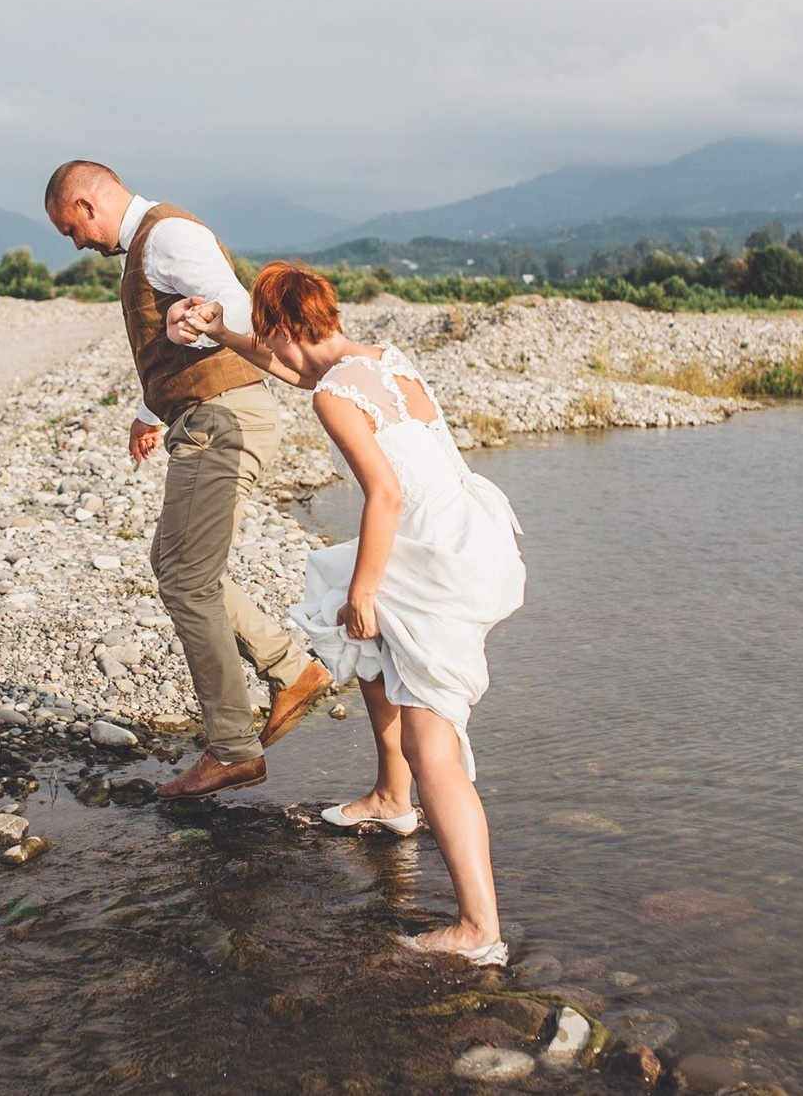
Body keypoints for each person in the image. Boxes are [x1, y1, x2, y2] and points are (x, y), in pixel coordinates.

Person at [173, 262, 525, 962]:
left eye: (264, 331)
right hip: (462, 533)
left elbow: (385, 495)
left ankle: (479, 929)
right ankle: (392, 798)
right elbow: (301, 370)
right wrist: (224, 333)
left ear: (282, 325)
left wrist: (367, 590)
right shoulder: (380, 362)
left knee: (435, 745)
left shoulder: (334, 397)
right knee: (363, 645)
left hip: (434, 565)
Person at [43, 161, 333, 800]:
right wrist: (150, 411)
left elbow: (233, 307)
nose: (76, 243)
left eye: (70, 228)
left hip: (223, 422)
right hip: (207, 417)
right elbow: (175, 340)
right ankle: (291, 669)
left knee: (184, 575)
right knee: (179, 564)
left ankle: (233, 748)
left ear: (88, 204)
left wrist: (197, 327)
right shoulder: (146, 246)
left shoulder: (169, 235)